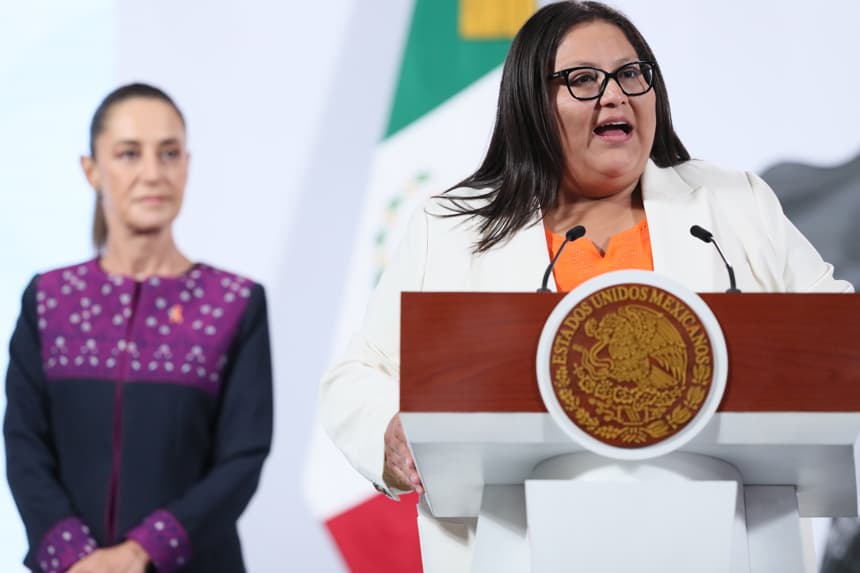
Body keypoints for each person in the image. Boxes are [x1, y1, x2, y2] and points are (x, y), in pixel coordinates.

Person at [320, 1, 853, 571]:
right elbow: (357, 376)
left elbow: (838, 339)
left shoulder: (732, 204)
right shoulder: (453, 230)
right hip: (520, 547)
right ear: (531, 103)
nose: (616, 94)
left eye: (631, 73)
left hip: (725, 543)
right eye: (582, 80)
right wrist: (392, 434)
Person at [3, 83, 273, 573]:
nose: (153, 173)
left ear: (187, 165)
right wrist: (75, 558)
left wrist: (138, 554)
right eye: (129, 154)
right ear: (91, 170)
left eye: (169, 153)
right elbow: (24, 442)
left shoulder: (235, 303)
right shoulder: (48, 299)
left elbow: (243, 457)